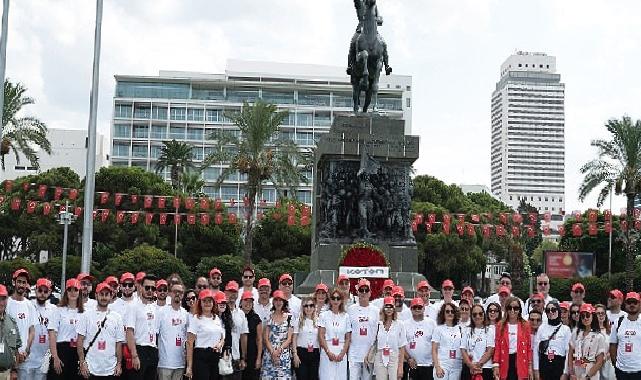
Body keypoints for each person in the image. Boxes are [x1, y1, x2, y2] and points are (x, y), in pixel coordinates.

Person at [76, 282, 125, 379]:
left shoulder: (117, 317)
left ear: (111, 296)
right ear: (96, 295)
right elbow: (80, 340)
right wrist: (82, 362)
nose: (104, 297)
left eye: (107, 294)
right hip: (90, 369)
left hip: (110, 369)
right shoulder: (86, 315)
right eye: (101, 294)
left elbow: (119, 343)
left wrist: (119, 364)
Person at [125, 274, 160, 380]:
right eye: (147, 287)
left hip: (153, 350)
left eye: (153, 288)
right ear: (140, 287)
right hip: (139, 350)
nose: (150, 290)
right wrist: (134, 355)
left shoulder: (155, 308)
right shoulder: (133, 306)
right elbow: (129, 332)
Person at [48, 278, 84, 380]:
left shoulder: (84, 312)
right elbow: (52, 335)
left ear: (79, 292)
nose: (73, 293)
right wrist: (55, 357)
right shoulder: (58, 310)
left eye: (75, 290)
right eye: (70, 289)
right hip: (61, 351)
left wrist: (82, 360)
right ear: (65, 292)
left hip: (77, 351)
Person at [185, 289, 225, 379]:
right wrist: (189, 367)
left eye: (209, 301)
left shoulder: (217, 318)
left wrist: (220, 344)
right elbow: (189, 343)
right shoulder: (196, 319)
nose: (207, 303)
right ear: (200, 303)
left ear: (213, 303)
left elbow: (222, 337)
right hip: (201, 357)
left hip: (215, 357)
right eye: (204, 301)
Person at [19, 278, 52, 380]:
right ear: (36, 290)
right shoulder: (27, 305)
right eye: (40, 290)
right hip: (26, 360)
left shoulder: (54, 309)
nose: (42, 293)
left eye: (45, 291)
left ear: (50, 292)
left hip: (43, 361)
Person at [492, 296, 533, 380]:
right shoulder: (500, 325)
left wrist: (529, 366)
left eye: (516, 308)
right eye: (509, 308)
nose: (512, 310)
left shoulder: (526, 325)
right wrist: (496, 365)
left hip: (521, 361)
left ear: (520, 310)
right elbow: (497, 346)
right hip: (505, 360)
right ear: (506, 309)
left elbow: (529, 347)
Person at [366, 296, 406, 380]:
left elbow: (402, 347)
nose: (389, 309)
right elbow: (373, 342)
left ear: (394, 308)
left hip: (393, 356)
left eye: (391, 306)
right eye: (386, 306)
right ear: (383, 308)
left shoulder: (400, 324)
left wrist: (400, 366)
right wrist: (367, 355)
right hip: (380, 355)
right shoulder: (378, 324)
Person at [6, 269, 36, 380]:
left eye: (24, 282)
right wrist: (15, 353)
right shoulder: (7, 303)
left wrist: (26, 350)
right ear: (14, 282)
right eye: (19, 281)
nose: (21, 285)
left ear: (27, 285)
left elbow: (32, 330)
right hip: (8, 358)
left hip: (25, 358)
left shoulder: (30, 305)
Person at [347, 279, 379, 380]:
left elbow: (378, 333)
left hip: (369, 353)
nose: (364, 293)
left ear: (370, 292)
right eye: (361, 290)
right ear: (357, 292)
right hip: (354, 352)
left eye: (366, 290)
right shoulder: (351, 309)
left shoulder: (376, 311)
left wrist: (373, 351)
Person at [318, 288, 351, 380]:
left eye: (338, 298)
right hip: (327, 349)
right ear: (330, 300)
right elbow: (321, 335)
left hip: (341, 350)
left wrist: (342, 353)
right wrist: (328, 352)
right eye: (333, 298)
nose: (335, 300)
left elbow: (348, 338)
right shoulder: (324, 315)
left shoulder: (346, 316)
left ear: (341, 300)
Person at [157, 283, 188, 380]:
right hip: (165, 363)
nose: (177, 294)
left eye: (180, 292)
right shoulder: (161, 312)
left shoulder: (186, 314)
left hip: (180, 363)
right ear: (170, 293)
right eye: (175, 291)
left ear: (183, 295)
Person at [567, 304, 606, 380]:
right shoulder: (576, 333)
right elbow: (570, 353)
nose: (585, 318)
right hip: (577, 369)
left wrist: (587, 376)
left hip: (591, 372)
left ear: (592, 316)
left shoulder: (599, 336)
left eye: (588, 315)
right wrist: (571, 372)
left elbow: (599, 362)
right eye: (583, 316)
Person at [534, 300, 571, 380]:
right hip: (544, 364)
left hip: (559, 364)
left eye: (553, 310)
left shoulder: (566, 329)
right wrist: (536, 370)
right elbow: (535, 350)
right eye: (548, 310)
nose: (551, 312)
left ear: (558, 311)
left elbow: (568, 352)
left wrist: (565, 372)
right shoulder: (542, 328)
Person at [261, 290, 293, 380]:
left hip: (283, 355)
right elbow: (265, 338)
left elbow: (289, 338)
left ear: (284, 302)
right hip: (269, 354)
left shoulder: (289, 317)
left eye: (280, 300)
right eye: (276, 300)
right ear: (273, 302)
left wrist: (279, 351)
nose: (278, 302)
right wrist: (273, 352)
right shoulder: (269, 317)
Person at [609, 291, 641, 379]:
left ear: (639, 304)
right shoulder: (618, 322)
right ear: (625, 304)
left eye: (635, 302)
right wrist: (615, 364)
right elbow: (613, 344)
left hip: (639, 370)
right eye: (629, 302)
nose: (632, 305)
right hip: (621, 370)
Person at [404, 297, 437, 380]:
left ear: (424, 308)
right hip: (412, 365)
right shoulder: (405, 324)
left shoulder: (431, 323)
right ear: (411, 309)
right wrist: (408, 359)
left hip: (428, 365)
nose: (417, 309)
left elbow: (437, 343)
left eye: (419, 307)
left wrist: (435, 359)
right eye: (414, 307)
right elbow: (401, 345)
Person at [461, 304, 495, 380]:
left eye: (480, 313)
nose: (478, 316)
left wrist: (479, 364)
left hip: (485, 368)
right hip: (469, 368)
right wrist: (470, 365)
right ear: (471, 316)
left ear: (484, 314)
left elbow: (490, 350)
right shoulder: (466, 330)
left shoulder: (489, 330)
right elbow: (463, 350)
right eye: (474, 314)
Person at [224, 281, 249, 380]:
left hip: (236, 358)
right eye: (230, 292)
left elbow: (243, 337)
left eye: (234, 292)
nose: (232, 295)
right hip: (221, 358)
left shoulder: (241, 314)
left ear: (238, 294)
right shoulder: (218, 311)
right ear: (225, 292)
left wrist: (243, 358)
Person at [431, 302, 463, 379]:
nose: (450, 313)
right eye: (447, 311)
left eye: (452, 311)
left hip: (456, 366)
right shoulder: (438, 329)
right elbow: (434, 350)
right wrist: (437, 367)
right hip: (442, 365)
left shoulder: (460, 329)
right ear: (443, 313)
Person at [292, 297, 319, 380]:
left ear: (314, 307)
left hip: (314, 352)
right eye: (306, 306)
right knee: (302, 377)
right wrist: (295, 354)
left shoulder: (319, 320)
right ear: (303, 308)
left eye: (311, 305)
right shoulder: (298, 321)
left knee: (313, 377)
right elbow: (294, 339)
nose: (308, 308)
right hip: (301, 352)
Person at [0, 283, 22, 380]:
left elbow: (16, 348)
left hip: (7, 374)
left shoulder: (12, 322)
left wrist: (14, 370)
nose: (1, 302)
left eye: (3, 298)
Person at [240, 291, 262, 380]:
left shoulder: (256, 318)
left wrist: (259, 358)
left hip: (252, 355)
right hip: (238, 354)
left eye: (250, 301)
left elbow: (259, 339)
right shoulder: (236, 315)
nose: (248, 303)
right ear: (241, 302)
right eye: (246, 300)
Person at [595, 304, 616, 379]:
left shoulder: (611, 331)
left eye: (602, 313)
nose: (600, 315)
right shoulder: (590, 331)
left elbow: (615, 347)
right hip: (594, 366)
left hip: (608, 366)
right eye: (598, 313)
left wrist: (606, 356)